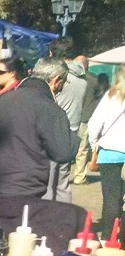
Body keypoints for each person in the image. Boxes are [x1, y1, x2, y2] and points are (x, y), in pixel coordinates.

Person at [0, 57, 78, 199]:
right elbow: (63, 153)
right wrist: (73, 136)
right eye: (63, 83)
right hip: (27, 189)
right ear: (56, 80)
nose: (62, 88)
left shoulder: (0, 100)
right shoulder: (51, 109)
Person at [48, 38, 90, 200]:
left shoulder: (58, 77)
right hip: (72, 132)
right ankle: (63, 218)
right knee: (63, 182)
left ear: (53, 54)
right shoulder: (82, 77)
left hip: (53, 131)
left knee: (47, 181)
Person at [86, 74, 125, 232]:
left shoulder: (111, 96)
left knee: (111, 199)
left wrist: (93, 143)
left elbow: (94, 123)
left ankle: (109, 235)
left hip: (110, 153)